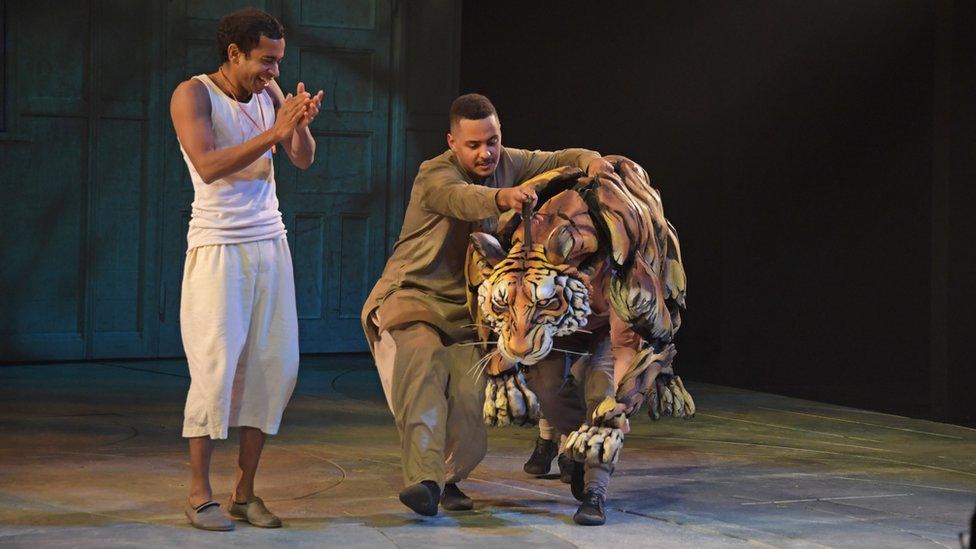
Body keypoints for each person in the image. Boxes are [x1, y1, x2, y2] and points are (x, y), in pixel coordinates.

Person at [361, 93, 611, 516]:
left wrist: (595, 162)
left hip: (468, 310)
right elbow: (459, 198)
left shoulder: (509, 163)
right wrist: (503, 198)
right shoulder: (433, 173)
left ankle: (446, 479)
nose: (486, 153)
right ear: (452, 142)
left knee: (469, 397)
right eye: (473, 145)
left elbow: (561, 156)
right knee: (423, 371)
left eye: (492, 141)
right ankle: (424, 480)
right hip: (413, 298)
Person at [169, 7, 323, 531]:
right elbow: (208, 165)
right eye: (266, 61)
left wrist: (296, 125)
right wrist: (275, 133)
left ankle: (245, 492)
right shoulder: (193, 94)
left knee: (273, 367)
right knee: (215, 368)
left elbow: (301, 158)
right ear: (234, 53)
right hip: (218, 249)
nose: (274, 73)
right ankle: (198, 494)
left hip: (270, 246)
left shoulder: (270, 94)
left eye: (279, 62)